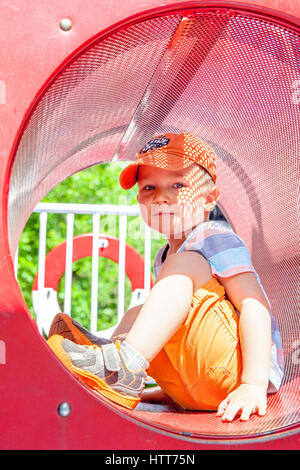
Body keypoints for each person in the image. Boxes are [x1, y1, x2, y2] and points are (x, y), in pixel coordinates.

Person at [48, 132, 284, 421]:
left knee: (186, 264)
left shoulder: (214, 238)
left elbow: (253, 305)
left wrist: (253, 384)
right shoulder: (164, 256)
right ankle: (114, 362)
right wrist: (170, 386)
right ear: (139, 200)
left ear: (209, 198)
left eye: (177, 184)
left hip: (237, 373)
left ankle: (123, 365)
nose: (161, 196)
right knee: (142, 310)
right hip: (198, 383)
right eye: (149, 187)